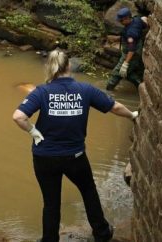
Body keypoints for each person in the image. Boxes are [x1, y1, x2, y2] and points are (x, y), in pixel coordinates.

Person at [12, 49, 138, 242]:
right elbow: (115, 107)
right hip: (75, 157)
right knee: (88, 192)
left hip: (44, 157)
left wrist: (33, 131)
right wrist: (133, 116)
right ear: (69, 66)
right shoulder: (86, 89)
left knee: (51, 203)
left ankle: (49, 240)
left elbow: (19, 117)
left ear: (50, 67)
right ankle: (102, 233)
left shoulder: (42, 91)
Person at [106, 7, 149, 91]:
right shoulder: (137, 20)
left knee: (116, 73)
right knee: (127, 73)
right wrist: (117, 39)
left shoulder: (131, 32)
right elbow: (145, 23)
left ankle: (108, 92)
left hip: (131, 55)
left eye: (121, 21)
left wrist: (125, 64)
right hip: (135, 52)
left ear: (127, 18)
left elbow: (132, 49)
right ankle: (140, 85)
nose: (120, 22)